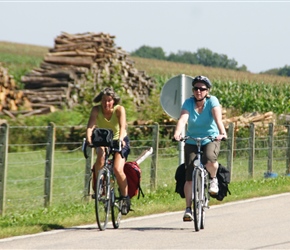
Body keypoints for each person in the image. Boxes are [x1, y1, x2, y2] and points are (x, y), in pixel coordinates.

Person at [173, 75, 227, 221]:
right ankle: (188, 208)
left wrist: (222, 133)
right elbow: (183, 119)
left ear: (207, 91)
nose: (198, 91)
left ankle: (213, 179)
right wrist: (177, 133)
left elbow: (217, 119)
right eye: (196, 88)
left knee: (209, 158)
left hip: (210, 138)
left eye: (202, 89)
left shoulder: (212, 101)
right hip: (192, 139)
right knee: (189, 173)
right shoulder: (188, 103)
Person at [86, 87, 131, 215]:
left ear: (114, 101)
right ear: (100, 101)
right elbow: (90, 126)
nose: (107, 103)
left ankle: (125, 198)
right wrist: (89, 140)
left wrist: (121, 139)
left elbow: (123, 126)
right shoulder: (96, 110)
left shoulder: (119, 110)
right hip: (103, 140)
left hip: (119, 139)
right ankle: (100, 188)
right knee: (100, 158)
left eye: (109, 100)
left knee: (117, 169)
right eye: (104, 100)